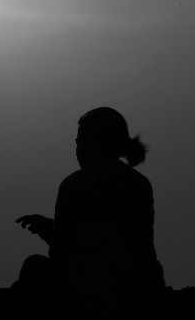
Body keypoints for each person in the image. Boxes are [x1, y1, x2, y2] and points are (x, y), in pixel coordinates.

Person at [16, 107, 165, 310]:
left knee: (33, 266)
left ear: (93, 144)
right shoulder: (139, 183)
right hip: (140, 291)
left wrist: (49, 231)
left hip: (91, 294)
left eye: (79, 142)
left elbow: (64, 254)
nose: (76, 149)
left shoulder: (74, 184)